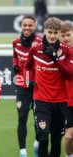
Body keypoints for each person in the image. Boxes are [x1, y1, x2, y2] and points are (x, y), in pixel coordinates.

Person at [26, 17, 73, 157]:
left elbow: (69, 75)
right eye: (49, 32)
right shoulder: (35, 50)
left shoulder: (67, 51)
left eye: (55, 32)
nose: (52, 36)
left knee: (56, 140)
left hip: (60, 101)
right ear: (44, 31)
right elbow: (27, 67)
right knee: (43, 138)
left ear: (59, 33)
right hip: (41, 100)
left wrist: (56, 58)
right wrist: (29, 80)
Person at [12, 15, 42, 157]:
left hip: (38, 87)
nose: (27, 28)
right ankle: (22, 152)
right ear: (21, 26)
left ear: (35, 26)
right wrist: (15, 65)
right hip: (22, 87)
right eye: (25, 25)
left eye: (30, 25)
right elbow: (15, 57)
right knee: (22, 117)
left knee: (38, 120)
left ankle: (36, 144)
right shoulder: (16, 43)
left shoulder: (41, 42)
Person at [59, 21, 73, 157]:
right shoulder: (58, 54)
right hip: (67, 102)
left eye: (68, 34)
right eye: (63, 35)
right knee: (68, 137)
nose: (66, 38)